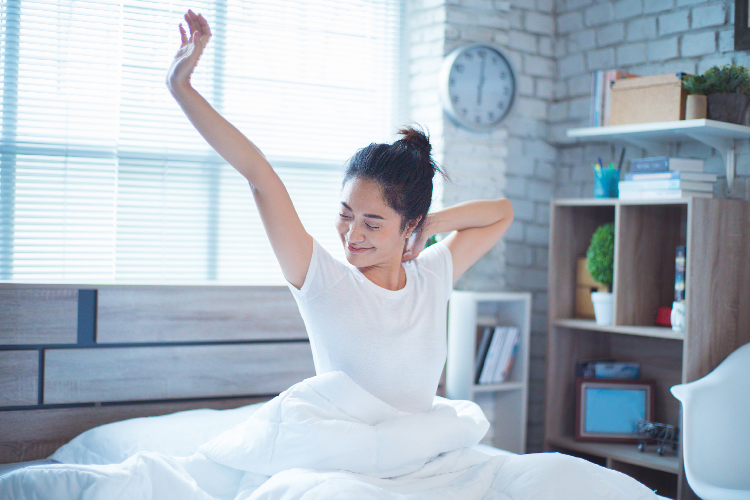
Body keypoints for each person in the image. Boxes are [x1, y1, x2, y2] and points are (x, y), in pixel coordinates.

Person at [167, 10, 514, 414]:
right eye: (347, 214)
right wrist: (181, 87)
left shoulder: (432, 276)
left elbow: (502, 213)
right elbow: (259, 174)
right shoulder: (323, 282)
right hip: (347, 461)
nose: (352, 234)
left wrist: (432, 225)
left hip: (420, 454)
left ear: (410, 224)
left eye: (373, 222)